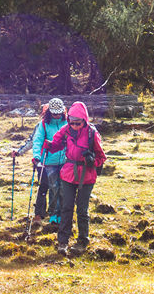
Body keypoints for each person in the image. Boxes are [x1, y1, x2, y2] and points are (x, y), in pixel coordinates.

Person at [42, 101, 106, 256]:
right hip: (68, 174)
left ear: (85, 120)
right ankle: (63, 242)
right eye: (72, 123)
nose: (75, 126)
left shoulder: (92, 133)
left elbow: (101, 157)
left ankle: (82, 241)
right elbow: (56, 144)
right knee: (66, 208)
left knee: (82, 210)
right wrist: (48, 145)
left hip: (87, 175)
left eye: (78, 123)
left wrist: (93, 161)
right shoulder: (66, 130)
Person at [12, 98, 67, 226]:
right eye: (54, 113)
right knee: (47, 187)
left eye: (59, 113)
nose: (57, 115)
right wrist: (35, 156)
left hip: (64, 161)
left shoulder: (67, 123)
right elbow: (35, 141)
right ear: (49, 112)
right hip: (46, 162)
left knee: (61, 188)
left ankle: (58, 214)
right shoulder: (43, 125)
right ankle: (43, 214)